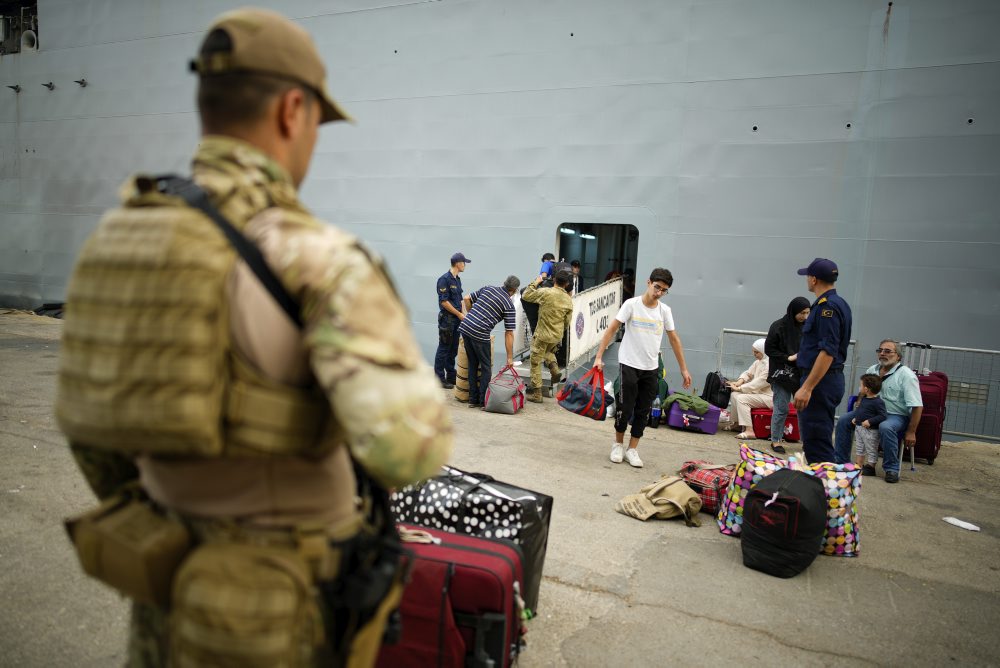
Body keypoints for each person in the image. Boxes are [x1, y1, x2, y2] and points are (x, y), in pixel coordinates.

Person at [54, 9, 452, 666]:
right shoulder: (317, 259)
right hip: (280, 610)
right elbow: (406, 453)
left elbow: (88, 428)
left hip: (163, 584)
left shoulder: (116, 238)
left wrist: (178, 507)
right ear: (293, 111)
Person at [594, 268, 693, 468]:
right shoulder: (631, 305)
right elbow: (612, 329)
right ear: (648, 283)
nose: (659, 292)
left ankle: (632, 449)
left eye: (664, 290)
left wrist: (684, 368)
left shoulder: (665, 311)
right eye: (657, 287)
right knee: (625, 407)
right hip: (629, 363)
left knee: (643, 411)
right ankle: (618, 444)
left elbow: (674, 338)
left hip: (651, 367)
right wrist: (598, 356)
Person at [834, 340, 924, 483]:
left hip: (895, 415)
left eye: (888, 351)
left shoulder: (906, 375)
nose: (882, 353)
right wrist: (858, 408)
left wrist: (911, 431)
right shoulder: (872, 370)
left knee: (886, 427)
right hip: (869, 411)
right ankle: (841, 462)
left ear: (898, 357)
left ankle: (891, 468)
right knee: (844, 419)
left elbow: (917, 406)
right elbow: (863, 394)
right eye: (880, 350)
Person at [793, 258, 852, 464]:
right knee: (816, 439)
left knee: (817, 442)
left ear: (814, 279)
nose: (807, 280)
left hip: (820, 383)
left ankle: (825, 491)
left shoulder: (827, 308)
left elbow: (828, 351)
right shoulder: (839, 303)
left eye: (808, 276)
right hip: (825, 380)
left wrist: (807, 387)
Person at [459, 276, 520, 408]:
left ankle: (472, 399)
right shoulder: (509, 305)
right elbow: (509, 333)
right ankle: (482, 401)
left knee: (473, 363)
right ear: (514, 290)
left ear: (504, 283)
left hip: (466, 327)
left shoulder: (488, 288)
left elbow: (466, 298)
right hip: (480, 333)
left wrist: (472, 315)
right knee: (486, 367)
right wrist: (509, 357)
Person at [764, 296, 811, 453]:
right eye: (801, 313)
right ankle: (776, 440)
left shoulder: (809, 327)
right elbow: (769, 349)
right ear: (793, 311)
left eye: (807, 312)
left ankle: (807, 442)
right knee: (781, 407)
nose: (805, 317)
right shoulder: (778, 326)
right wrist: (788, 357)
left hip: (802, 374)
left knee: (803, 410)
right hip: (781, 375)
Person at [521, 270, 574, 403]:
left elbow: (526, 295)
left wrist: (536, 282)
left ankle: (537, 394)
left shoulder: (546, 292)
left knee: (535, 361)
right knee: (548, 351)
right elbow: (567, 321)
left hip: (542, 334)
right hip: (557, 335)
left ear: (554, 280)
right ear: (567, 284)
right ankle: (554, 369)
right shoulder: (568, 300)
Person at [434, 252, 470, 388]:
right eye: (464, 263)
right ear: (458, 263)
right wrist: (458, 314)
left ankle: (450, 375)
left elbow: (459, 300)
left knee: (453, 348)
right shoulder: (444, 279)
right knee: (444, 348)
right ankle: (438, 378)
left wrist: (464, 314)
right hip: (447, 320)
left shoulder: (457, 280)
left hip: (457, 319)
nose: (465, 265)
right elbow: (444, 302)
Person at [728, 339, 774, 440]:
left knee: (742, 399)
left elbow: (758, 383)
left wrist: (739, 388)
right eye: (754, 351)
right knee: (734, 395)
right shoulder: (759, 362)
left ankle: (749, 431)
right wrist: (739, 381)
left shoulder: (771, 364)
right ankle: (737, 424)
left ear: (763, 351)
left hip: (769, 398)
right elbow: (748, 373)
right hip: (759, 394)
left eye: (756, 352)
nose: (754, 354)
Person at [850, 374, 889, 476]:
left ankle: (871, 467)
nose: (859, 388)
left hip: (870, 431)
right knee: (859, 447)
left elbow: (883, 415)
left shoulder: (878, 402)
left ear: (866, 389)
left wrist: (870, 421)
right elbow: (861, 411)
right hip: (859, 428)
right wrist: (856, 418)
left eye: (861, 386)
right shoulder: (864, 399)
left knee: (871, 448)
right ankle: (859, 465)